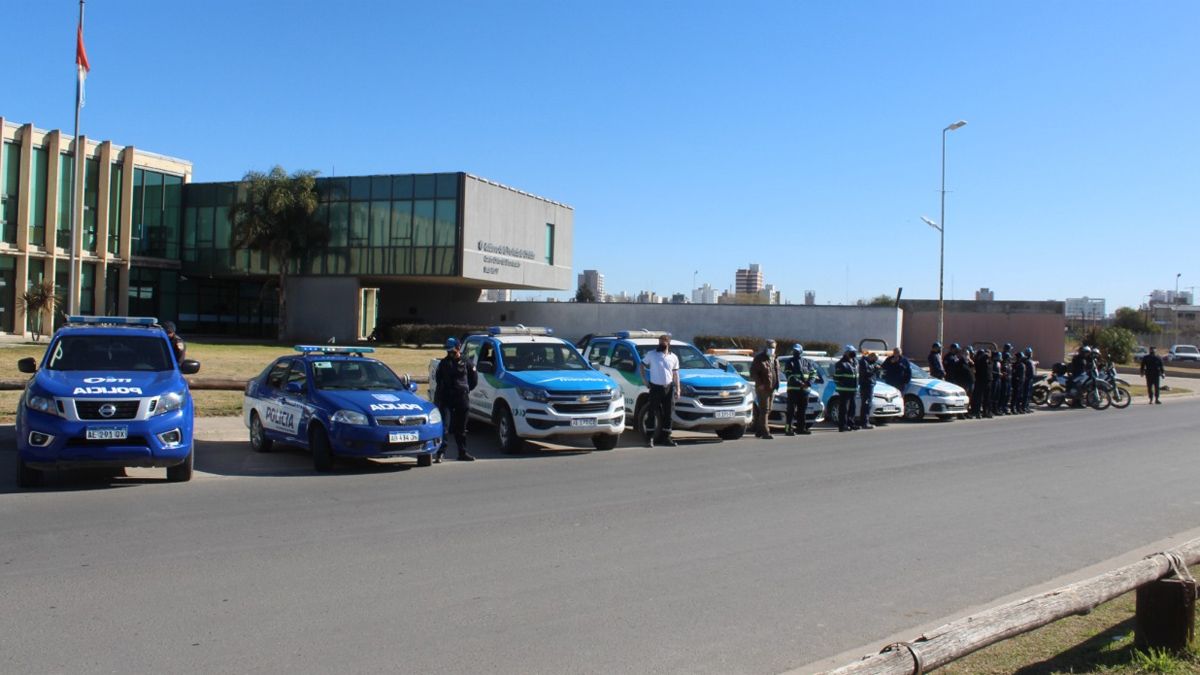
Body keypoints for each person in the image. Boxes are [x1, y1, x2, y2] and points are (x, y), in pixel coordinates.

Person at [434, 337, 478, 461]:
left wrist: (464, 390)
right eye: (448, 351)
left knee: (461, 428)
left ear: (458, 348)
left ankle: (462, 453)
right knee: (445, 427)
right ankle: (440, 453)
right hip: (447, 398)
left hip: (461, 398)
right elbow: (439, 379)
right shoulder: (443, 363)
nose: (450, 353)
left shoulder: (467, 362)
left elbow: (473, 380)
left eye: (452, 351)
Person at [640, 333, 680, 446]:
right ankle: (649, 438)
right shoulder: (652, 354)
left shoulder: (673, 357)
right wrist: (644, 380)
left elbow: (676, 374)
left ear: (668, 343)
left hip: (668, 387)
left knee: (668, 413)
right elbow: (642, 365)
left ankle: (666, 437)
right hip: (655, 387)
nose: (661, 343)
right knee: (652, 412)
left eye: (664, 341)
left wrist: (678, 389)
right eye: (660, 341)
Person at [783, 344, 816, 436]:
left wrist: (809, 383)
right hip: (793, 390)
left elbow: (813, 373)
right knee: (791, 410)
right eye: (794, 351)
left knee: (802, 410)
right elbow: (789, 375)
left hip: (804, 391)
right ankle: (788, 429)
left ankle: (801, 428)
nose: (795, 352)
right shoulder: (789, 362)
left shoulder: (807, 362)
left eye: (797, 351)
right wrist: (800, 383)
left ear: (801, 351)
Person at [750, 340, 780, 439]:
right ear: (766, 348)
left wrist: (776, 385)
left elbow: (776, 372)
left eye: (773, 348)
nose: (772, 350)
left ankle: (759, 430)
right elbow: (753, 373)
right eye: (770, 347)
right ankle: (765, 432)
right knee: (765, 410)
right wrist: (760, 384)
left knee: (768, 409)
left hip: (772, 388)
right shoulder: (759, 358)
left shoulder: (775, 358)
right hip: (763, 388)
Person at [833, 346, 859, 432]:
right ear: (846, 352)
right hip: (844, 390)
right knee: (844, 408)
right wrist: (843, 385)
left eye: (854, 351)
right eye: (851, 351)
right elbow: (837, 378)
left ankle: (851, 424)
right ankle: (842, 426)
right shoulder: (841, 363)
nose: (853, 353)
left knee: (852, 407)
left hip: (853, 389)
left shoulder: (855, 362)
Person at [856, 350, 880, 429]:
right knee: (866, 404)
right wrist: (875, 370)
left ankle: (865, 421)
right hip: (866, 385)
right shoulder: (864, 362)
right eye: (875, 359)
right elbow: (866, 373)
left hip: (870, 384)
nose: (875, 361)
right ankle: (864, 422)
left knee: (867, 404)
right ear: (871, 356)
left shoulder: (871, 363)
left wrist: (876, 368)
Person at [971, 348, 993, 418]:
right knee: (979, 398)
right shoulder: (979, 360)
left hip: (988, 381)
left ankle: (985, 412)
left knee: (987, 398)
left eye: (988, 353)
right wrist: (984, 356)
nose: (987, 354)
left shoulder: (989, 361)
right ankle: (977, 412)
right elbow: (977, 364)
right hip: (981, 381)